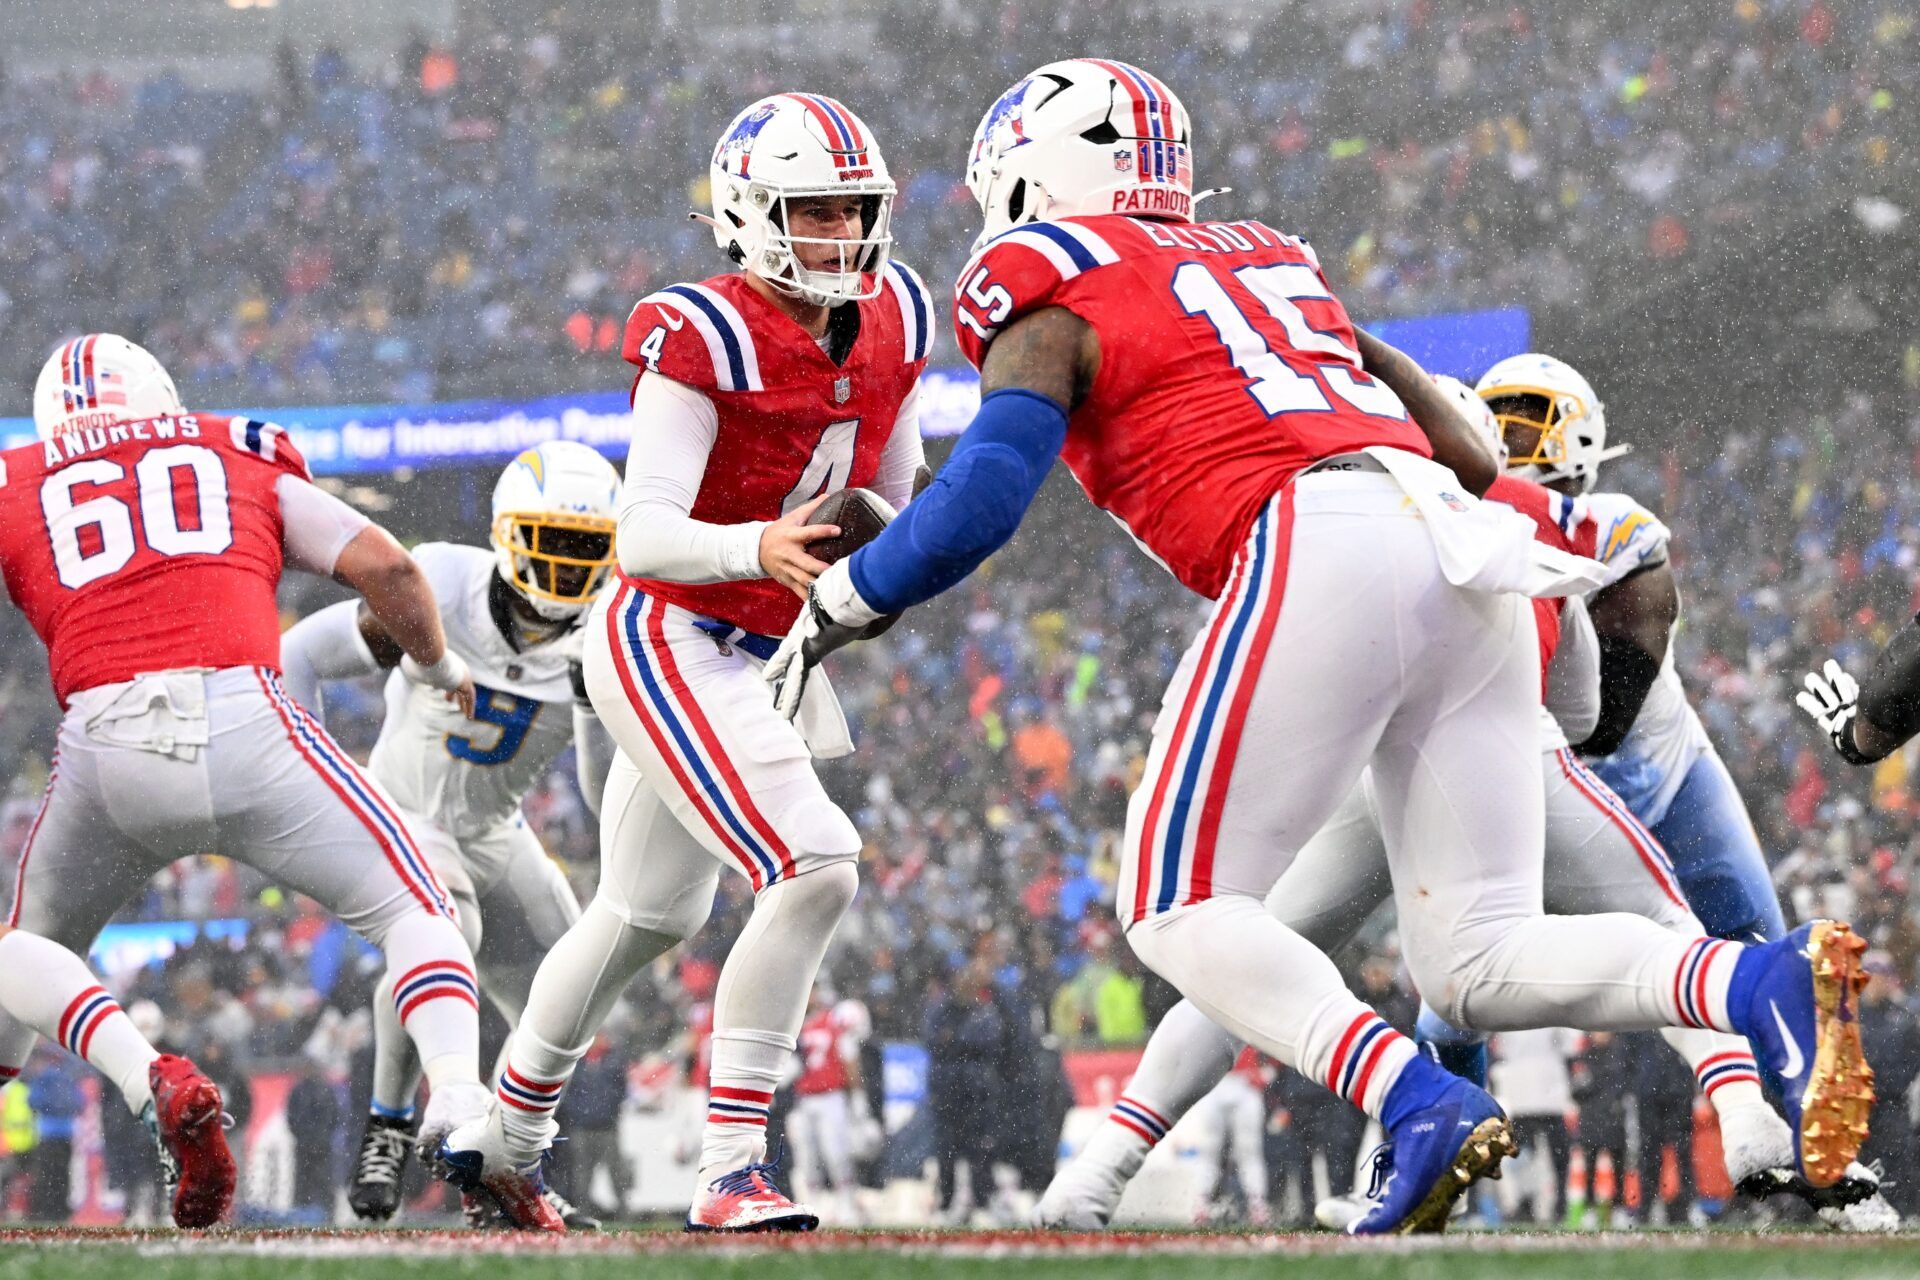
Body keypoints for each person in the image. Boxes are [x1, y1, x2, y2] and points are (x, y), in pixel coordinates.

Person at [764, 59, 1876, 1231]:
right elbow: (1475, 454)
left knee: (1176, 902)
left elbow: (991, 488)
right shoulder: (1264, 256)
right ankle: (1759, 975)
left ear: (1035, 174)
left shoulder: (1044, 268)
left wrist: (849, 593)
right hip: (1464, 546)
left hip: (1317, 537)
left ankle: (1413, 1102)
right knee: (1475, 962)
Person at [1033, 381, 1896, 1231]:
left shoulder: (1322, 498)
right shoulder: (1529, 514)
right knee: (1641, 939)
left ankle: (1103, 1171)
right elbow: (1584, 708)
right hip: (1508, 752)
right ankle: (1748, 1118)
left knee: (1242, 955)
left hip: (1376, 770)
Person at [439, 93, 932, 1233]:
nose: (842, 235)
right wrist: (754, 543)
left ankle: (507, 1144)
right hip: (668, 628)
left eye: (855, 209)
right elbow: (644, 529)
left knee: (643, 911)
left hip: (767, 650)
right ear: (752, 214)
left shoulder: (898, 308)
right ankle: (729, 1167)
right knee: (815, 863)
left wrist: (879, 564)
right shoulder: (699, 330)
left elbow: (890, 497)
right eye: (814, 212)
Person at [0, 335, 521, 1224]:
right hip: (246, 720)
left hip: (102, 747)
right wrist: (434, 669)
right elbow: (388, 567)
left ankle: (148, 1075)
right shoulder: (230, 444)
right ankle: (464, 1109)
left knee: (22, 952)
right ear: (157, 396)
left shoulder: (17, 479)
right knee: (414, 909)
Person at [279, 439, 620, 1227]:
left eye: (585, 547)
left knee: (570, 977)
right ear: (508, 537)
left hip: (495, 827)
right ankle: (392, 1121)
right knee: (447, 927)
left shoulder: (608, 626)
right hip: (407, 813)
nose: (569, 566)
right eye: (553, 541)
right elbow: (301, 653)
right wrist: (311, 775)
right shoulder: (446, 583)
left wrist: (598, 708)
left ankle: (504, 1166)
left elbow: (602, 798)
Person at [1476, 353, 1789, 947]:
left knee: (1762, 958)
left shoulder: (1617, 532)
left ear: (1576, 435)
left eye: (1523, 427)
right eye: (1493, 430)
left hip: (1668, 787)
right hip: (1547, 824)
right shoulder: (1462, 532)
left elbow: (1601, 724)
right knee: (1456, 1013)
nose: (1506, 446)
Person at [0, 926, 233, 1227]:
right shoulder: (178, 1045)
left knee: (30, 925)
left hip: (128, 1120)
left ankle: (148, 1083)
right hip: (139, 1113)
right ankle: (154, 1085)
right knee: (42, 928)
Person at [788, 987, 871, 1224]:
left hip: (830, 1095)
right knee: (807, 1157)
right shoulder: (795, 1027)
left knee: (837, 1153)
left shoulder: (833, 1021)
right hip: (804, 1099)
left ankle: (847, 1203)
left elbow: (849, 1059)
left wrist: (858, 1099)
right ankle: (814, 1204)